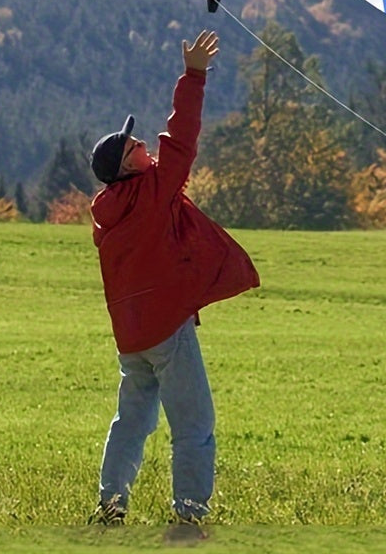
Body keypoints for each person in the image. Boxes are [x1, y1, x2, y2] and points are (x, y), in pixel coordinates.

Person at [87, 30, 259, 540]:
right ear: (128, 166)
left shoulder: (108, 212)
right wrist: (194, 74)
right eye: (137, 146)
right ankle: (189, 515)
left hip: (132, 338)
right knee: (195, 426)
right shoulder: (152, 192)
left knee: (131, 423)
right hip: (167, 331)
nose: (145, 146)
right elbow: (181, 138)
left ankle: (111, 505)